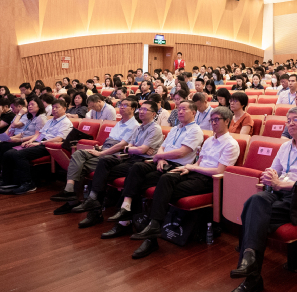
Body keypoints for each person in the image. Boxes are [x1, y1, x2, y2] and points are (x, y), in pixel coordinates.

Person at [227, 106, 297, 292]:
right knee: (255, 200)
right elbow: (274, 169)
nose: (290, 123)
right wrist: (270, 175)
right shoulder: (284, 147)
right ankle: (250, 262)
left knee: (253, 214)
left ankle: (251, 273)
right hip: (277, 191)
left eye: (295, 120)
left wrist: (280, 183)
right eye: (288, 120)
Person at [130, 106, 240, 255]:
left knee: (163, 191)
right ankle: (154, 227)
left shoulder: (231, 144)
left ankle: (152, 235)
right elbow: (199, 162)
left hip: (209, 180)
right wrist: (188, 168)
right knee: (166, 178)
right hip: (195, 172)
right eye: (211, 120)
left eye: (217, 120)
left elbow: (219, 171)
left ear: (227, 121)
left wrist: (192, 168)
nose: (213, 123)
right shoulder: (209, 141)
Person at [103, 100, 204, 258]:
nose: (180, 111)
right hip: (163, 162)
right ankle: (126, 212)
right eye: (179, 109)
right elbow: (163, 147)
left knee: (140, 181)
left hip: (178, 168)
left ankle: (144, 234)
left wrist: (159, 156)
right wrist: (160, 157)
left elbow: (182, 152)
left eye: (184, 109)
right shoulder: (175, 128)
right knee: (136, 170)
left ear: (193, 113)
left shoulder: (195, 130)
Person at [74, 100, 165, 229]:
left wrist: (134, 149)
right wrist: (134, 148)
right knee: (104, 164)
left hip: (142, 162)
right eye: (141, 109)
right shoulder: (139, 128)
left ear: (154, 114)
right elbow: (132, 147)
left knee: (107, 173)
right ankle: (93, 200)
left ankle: (105, 212)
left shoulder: (154, 129)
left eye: (145, 110)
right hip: (131, 158)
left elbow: (140, 150)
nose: (141, 112)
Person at [0, 99, 74, 195]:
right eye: (53, 107)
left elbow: (59, 139)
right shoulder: (50, 121)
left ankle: (28, 183)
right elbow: (40, 134)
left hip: (49, 146)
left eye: (57, 107)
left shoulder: (66, 122)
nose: (54, 109)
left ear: (64, 109)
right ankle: (8, 181)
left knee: (19, 155)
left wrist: (40, 143)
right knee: (8, 153)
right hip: (39, 142)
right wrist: (31, 141)